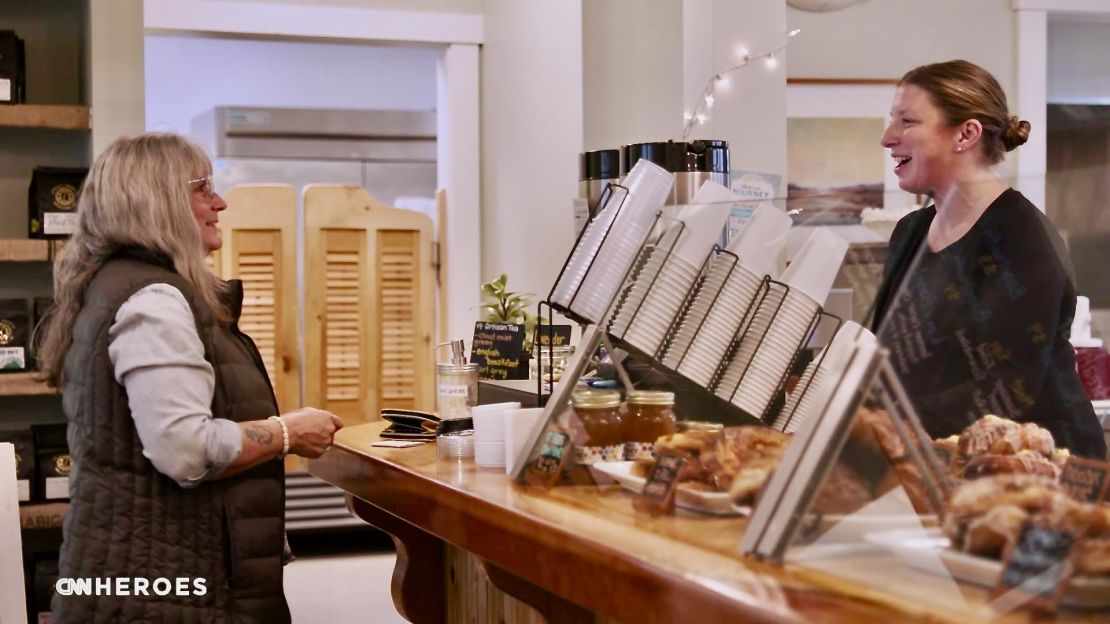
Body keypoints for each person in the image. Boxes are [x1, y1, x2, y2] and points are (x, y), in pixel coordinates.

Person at [37, 133, 344, 622]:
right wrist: (288, 431)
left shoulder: (118, 285)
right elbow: (185, 448)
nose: (219, 202)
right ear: (155, 201)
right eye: (203, 188)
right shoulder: (153, 302)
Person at [871, 60, 1105, 459]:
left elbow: (1008, 385)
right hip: (942, 460)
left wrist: (886, 430)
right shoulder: (909, 232)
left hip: (1041, 469)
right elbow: (887, 360)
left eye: (907, 121)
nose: (887, 138)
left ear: (966, 133)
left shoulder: (1024, 235)